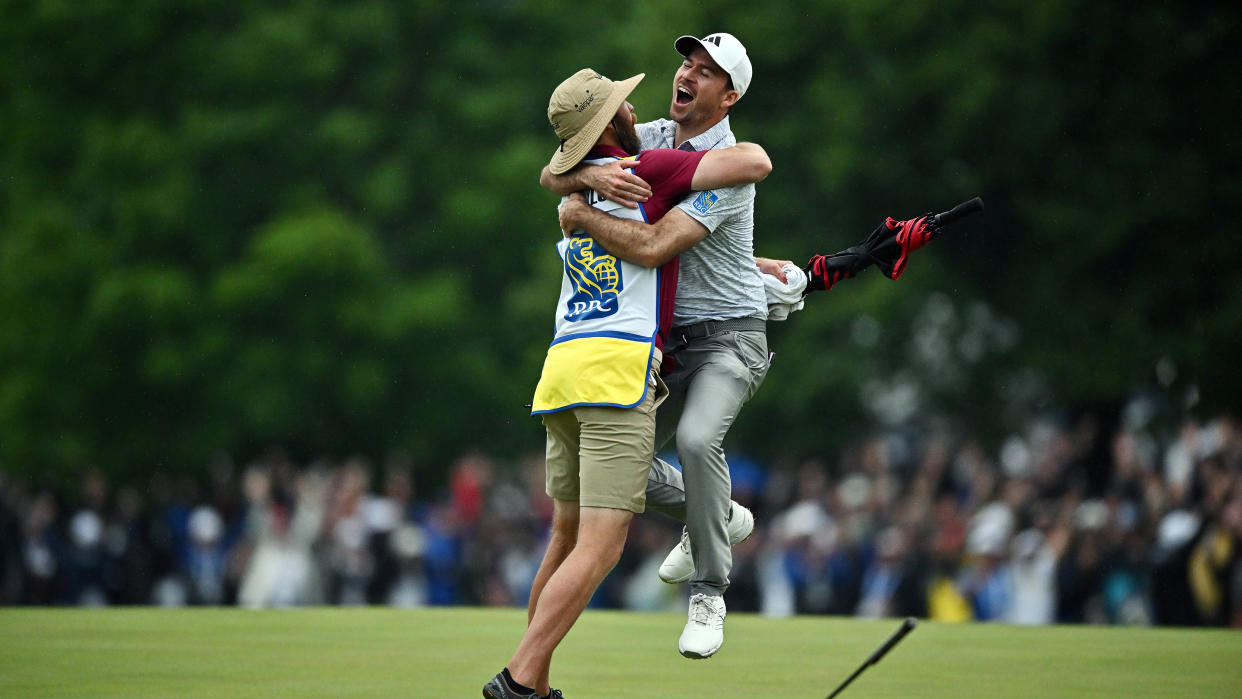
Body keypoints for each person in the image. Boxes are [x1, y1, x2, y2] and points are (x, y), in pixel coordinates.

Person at [484, 68, 771, 699]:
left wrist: (578, 182)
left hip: (560, 372)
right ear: (611, 123)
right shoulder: (655, 165)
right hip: (617, 374)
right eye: (620, 102)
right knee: (600, 546)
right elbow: (751, 164)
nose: (633, 104)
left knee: (564, 537)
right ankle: (519, 682)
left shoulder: (572, 193)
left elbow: (550, 177)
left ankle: (534, 681)